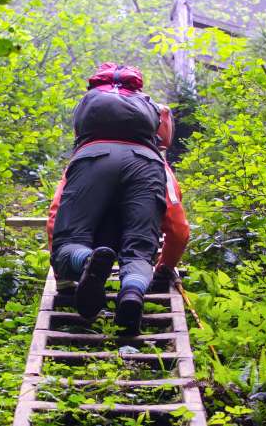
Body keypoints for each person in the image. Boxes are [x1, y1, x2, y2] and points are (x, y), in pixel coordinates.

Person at [46, 63, 189, 334]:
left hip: (92, 162)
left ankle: (85, 260)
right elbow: (179, 229)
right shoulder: (160, 167)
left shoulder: (84, 153)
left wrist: (64, 275)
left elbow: (55, 217)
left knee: (71, 240)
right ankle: (133, 294)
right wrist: (164, 267)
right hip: (144, 169)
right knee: (139, 250)